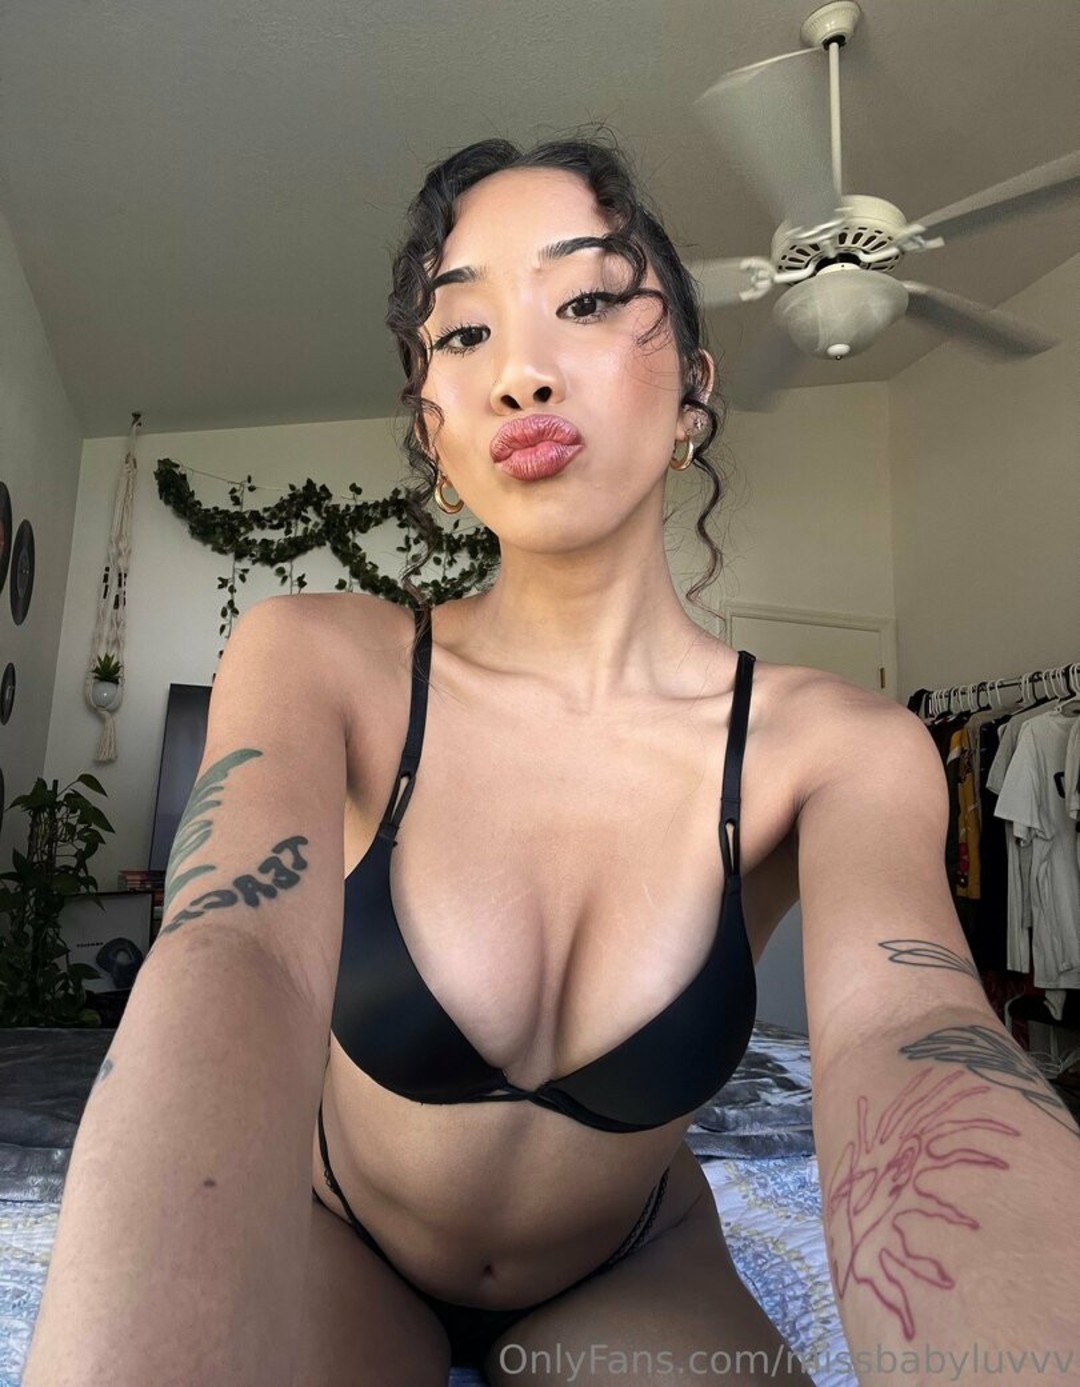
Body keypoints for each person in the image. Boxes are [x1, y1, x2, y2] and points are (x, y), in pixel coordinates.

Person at [24, 133, 1080, 1387]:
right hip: (340, 1239)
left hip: (631, 1267)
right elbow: (229, 959)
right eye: (465, 334)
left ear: (694, 390)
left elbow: (915, 1029)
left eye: (584, 301)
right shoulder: (318, 660)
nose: (520, 372)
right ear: (432, 426)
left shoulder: (837, 749)